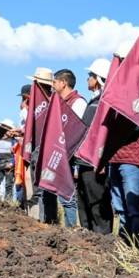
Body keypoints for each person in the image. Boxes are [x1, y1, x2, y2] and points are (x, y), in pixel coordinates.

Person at [108, 40, 139, 249]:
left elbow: (138, 121)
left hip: (133, 157)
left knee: (134, 206)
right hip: (116, 155)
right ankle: (125, 247)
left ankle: (138, 249)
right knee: (120, 207)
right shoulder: (119, 87)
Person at [75, 58, 114, 234]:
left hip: (94, 164)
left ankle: (103, 244)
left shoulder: (103, 103)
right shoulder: (94, 102)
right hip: (84, 163)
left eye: (90, 75)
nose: (87, 79)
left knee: (98, 207)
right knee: (84, 206)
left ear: (98, 78)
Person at [52, 68, 87, 227]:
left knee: (68, 197)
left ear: (63, 83)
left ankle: (71, 229)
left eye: (55, 82)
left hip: (71, 157)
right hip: (62, 154)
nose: (53, 85)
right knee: (62, 196)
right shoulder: (61, 103)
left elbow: (78, 132)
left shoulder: (78, 103)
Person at [24, 68, 59, 224]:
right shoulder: (45, 101)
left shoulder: (51, 101)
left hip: (43, 149)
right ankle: (45, 220)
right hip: (41, 149)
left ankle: (47, 221)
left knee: (43, 189)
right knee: (43, 189)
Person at [0, 119, 16, 201]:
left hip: (9, 164)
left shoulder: (14, 141)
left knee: (9, 184)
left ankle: (8, 201)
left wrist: (12, 163)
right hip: (0, 163)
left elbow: (16, 155)